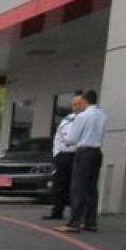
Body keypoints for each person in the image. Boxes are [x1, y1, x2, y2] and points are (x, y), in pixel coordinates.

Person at [56, 89, 107, 234]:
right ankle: (91, 221)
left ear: (85, 100)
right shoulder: (103, 116)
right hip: (97, 152)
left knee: (78, 188)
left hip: (84, 152)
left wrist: (64, 140)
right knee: (92, 188)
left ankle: (74, 223)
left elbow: (72, 138)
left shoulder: (82, 116)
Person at [42, 91, 83, 220]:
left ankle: (77, 215)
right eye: (74, 104)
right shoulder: (67, 119)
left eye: (78, 104)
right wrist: (56, 153)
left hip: (76, 156)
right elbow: (58, 137)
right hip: (62, 156)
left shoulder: (86, 119)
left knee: (76, 187)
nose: (75, 106)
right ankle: (57, 211)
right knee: (59, 185)